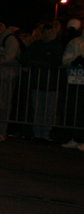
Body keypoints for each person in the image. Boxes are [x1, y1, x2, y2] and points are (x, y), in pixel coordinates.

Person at [23, 23, 63, 142]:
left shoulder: (57, 45)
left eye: (50, 32)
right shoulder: (36, 45)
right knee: (38, 109)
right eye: (45, 32)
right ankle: (37, 133)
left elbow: (55, 61)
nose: (47, 34)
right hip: (38, 82)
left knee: (49, 110)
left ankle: (45, 134)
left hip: (51, 84)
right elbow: (26, 56)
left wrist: (40, 63)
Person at [0, 19, 22, 141]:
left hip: (6, 76)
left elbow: (9, 57)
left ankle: (1, 130)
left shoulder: (10, 39)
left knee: (3, 104)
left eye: (1, 24)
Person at [60, 19, 84, 150]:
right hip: (76, 80)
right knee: (76, 110)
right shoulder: (74, 42)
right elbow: (66, 59)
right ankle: (76, 137)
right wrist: (74, 62)